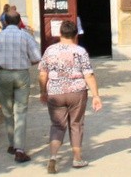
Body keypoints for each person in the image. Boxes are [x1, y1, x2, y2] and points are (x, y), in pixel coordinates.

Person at [39, 19, 102, 174]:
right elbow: (89, 75)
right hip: (77, 92)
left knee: (57, 125)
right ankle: (77, 159)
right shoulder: (80, 51)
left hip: (55, 92)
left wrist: (43, 92)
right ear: (75, 35)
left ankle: (53, 157)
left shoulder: (50, 50)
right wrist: (96, 96)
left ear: (60, 33)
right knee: (76, 124)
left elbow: (42, 73)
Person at [0, 10, 42, 163]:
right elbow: (37, 57)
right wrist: (27, 62)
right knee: (21, 111)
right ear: (18, 22)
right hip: (22, 74)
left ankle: (12, 144)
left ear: (4, 22)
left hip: (3, 74)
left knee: (7, 110)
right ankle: (20, 149)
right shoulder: (25, 36)